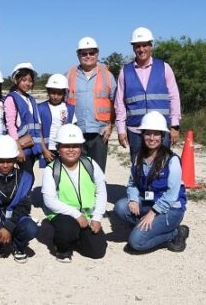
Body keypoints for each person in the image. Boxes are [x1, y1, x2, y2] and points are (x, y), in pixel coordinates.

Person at [113, 111, 189, 253]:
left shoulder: (172, 160)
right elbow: (132, 184)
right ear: (142, 135)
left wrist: (153, 213)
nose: (152, 138)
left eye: (156, 134)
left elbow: (172, 195)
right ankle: (145, 228)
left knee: (136, 243)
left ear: (162, 136)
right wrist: (134, 199)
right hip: (149, 202)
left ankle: (176, 232)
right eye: (148, 134)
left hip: (170, 209)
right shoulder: (138, 157)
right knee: (121, 207)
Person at [42, 124, 107, 263]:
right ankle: (62, 248)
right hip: (64, 215)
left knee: (97, 251)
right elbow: (49, 201)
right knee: (67, 229)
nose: (71, 149)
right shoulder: (51, 170)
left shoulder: (90, 164)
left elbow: (101, 191)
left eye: (75, 145)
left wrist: (97, 217)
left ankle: (77, 238)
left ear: (81, 147)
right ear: (58, 147)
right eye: (66, 146)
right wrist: (76, 214)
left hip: (87, 216)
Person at [115, 27, 182, 161]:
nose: (141, 49)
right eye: (138, 46)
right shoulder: (125, 71)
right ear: (133, 48)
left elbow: (174, 97)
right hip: (135, 131)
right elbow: (120, 103)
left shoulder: (164, 68)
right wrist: (121, 129)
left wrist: (175, 125)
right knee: (137, 169)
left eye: (145, 45)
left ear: (151, 46)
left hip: (160, 131)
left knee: (161, 169)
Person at [0, 135, 38, 265]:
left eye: (9, 161)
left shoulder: (25, 178)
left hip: (13, 223)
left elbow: (24, 207)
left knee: (31, 228)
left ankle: (18, 245)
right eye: (0, 161)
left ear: (15, 159)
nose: (5, 165)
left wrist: (8, 228)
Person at [66, 36, 116, 173]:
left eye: (91, 53)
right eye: (84, 53)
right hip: (76, 132)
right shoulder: (70, 75)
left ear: (97, 54)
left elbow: (116, 103)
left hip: (99, 133)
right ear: (78, 55)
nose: (88, 56)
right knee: (77, 171)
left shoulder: (107, 75)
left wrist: (111, 125)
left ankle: (98, 195)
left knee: (98, 172)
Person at [4, 62, 44, 177]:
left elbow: (37, 125)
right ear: (16, 80)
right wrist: (18, 149)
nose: (27, 83)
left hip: (32, 146)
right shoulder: (12, 99)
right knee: (26, 177)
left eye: (30, 80)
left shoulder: (30, 99)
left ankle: (25, 195)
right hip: (22, 146)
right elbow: (10, 125)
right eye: (24, 80)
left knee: (28, 177)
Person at [39, 73, 77, 166]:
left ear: (64, 93)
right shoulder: (40, 108)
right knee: (50, 175)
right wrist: (44, 150)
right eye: (53, 93)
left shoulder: (70, 108)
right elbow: (38, 131)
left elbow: (72, 130)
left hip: (64, 148)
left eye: (59, 93)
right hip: (49, 149)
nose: (55, 96)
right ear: (48, 92)